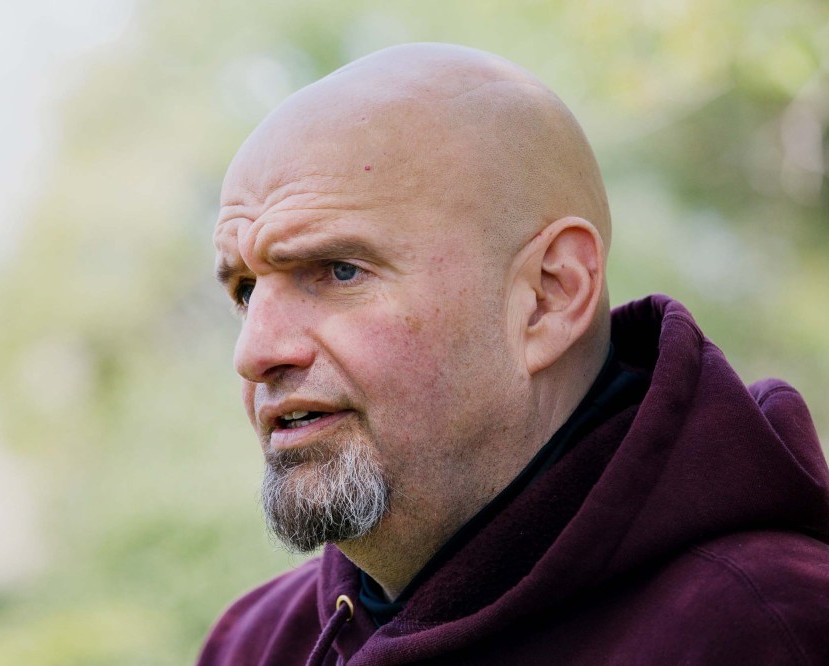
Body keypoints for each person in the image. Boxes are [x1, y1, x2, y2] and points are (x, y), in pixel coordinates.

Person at [199, 43, 829, 665]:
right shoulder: (253, 644)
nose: (256, 352)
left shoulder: (762, 628)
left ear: (548, 298)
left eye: (338, 271)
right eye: (246, 291)